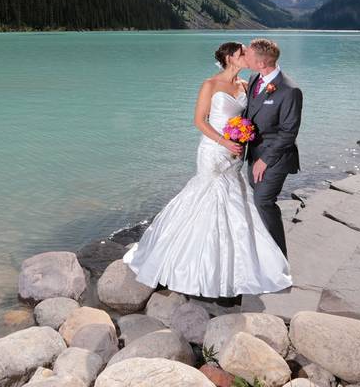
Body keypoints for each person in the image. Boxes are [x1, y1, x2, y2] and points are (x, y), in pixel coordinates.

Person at [122, 42, 292, 298]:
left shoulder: (246, 85)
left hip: (235, 154)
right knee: (207, 196)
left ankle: (236, 267)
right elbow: (199, 121)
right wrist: (224, 141)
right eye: (242, 53)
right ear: (229, 58)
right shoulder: (210, 85)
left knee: (235, 201)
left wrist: (245, 138)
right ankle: (193, 266)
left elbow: (253, 116)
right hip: (213, 151)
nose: (247, 56)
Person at [242, 38, 303, 257]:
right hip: (253, 155)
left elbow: (289, 132)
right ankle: (263, 253)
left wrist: (265, 160)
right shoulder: (253, 78)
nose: (244, 56)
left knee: (264, 202)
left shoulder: (290, 90)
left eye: (248, 54)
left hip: (276, 158)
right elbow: (249, 114)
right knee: (257, 203)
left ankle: (278, 260)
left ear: (261, 63)